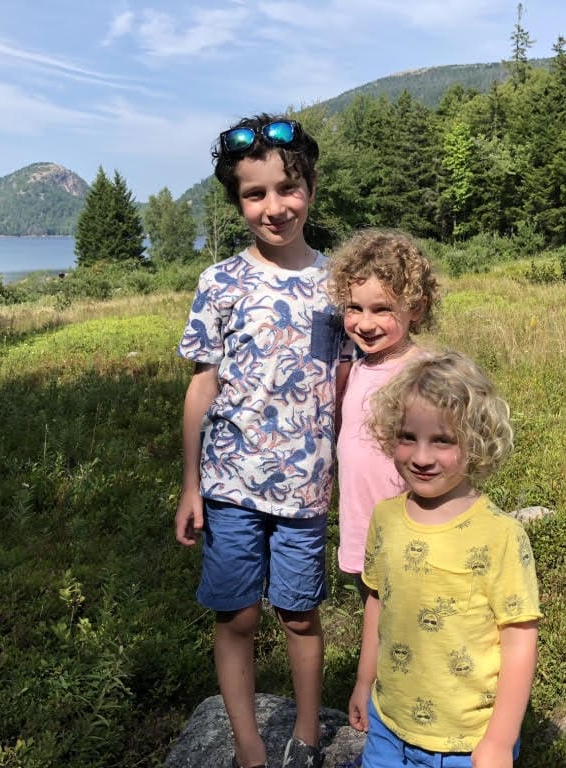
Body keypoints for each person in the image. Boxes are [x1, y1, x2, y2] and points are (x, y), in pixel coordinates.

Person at [175, 114, 349, 768]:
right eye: (255, 194)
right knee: (237, 617)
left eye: (287, 188)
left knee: (300, 616)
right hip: (228, 487)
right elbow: (201, 387)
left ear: (310, 186)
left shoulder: (339, 283)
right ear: (237, 200)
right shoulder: (218, 282)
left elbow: (349, 382)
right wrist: (191, 485)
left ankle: (306, 737)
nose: (274, 207)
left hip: (307, 488)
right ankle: (248, 748)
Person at [348, 350, 541, 768]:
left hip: (465, 743)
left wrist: (499, 740)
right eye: (407, 437)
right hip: (388, 725)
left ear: (475, 442)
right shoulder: (386, 518)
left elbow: (520, 639)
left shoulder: (500, 535)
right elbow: (377, 603)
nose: (420, 457)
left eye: (442, 440)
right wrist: (365, 681)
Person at [328, 229, 439, 600]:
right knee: (376, 614)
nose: (365, 323)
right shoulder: (357, 368)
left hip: (411, 531)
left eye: (382, 309)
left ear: (416, 309)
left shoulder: (422, 373)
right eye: (354, 308)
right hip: (363, 527)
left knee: (417, 622)